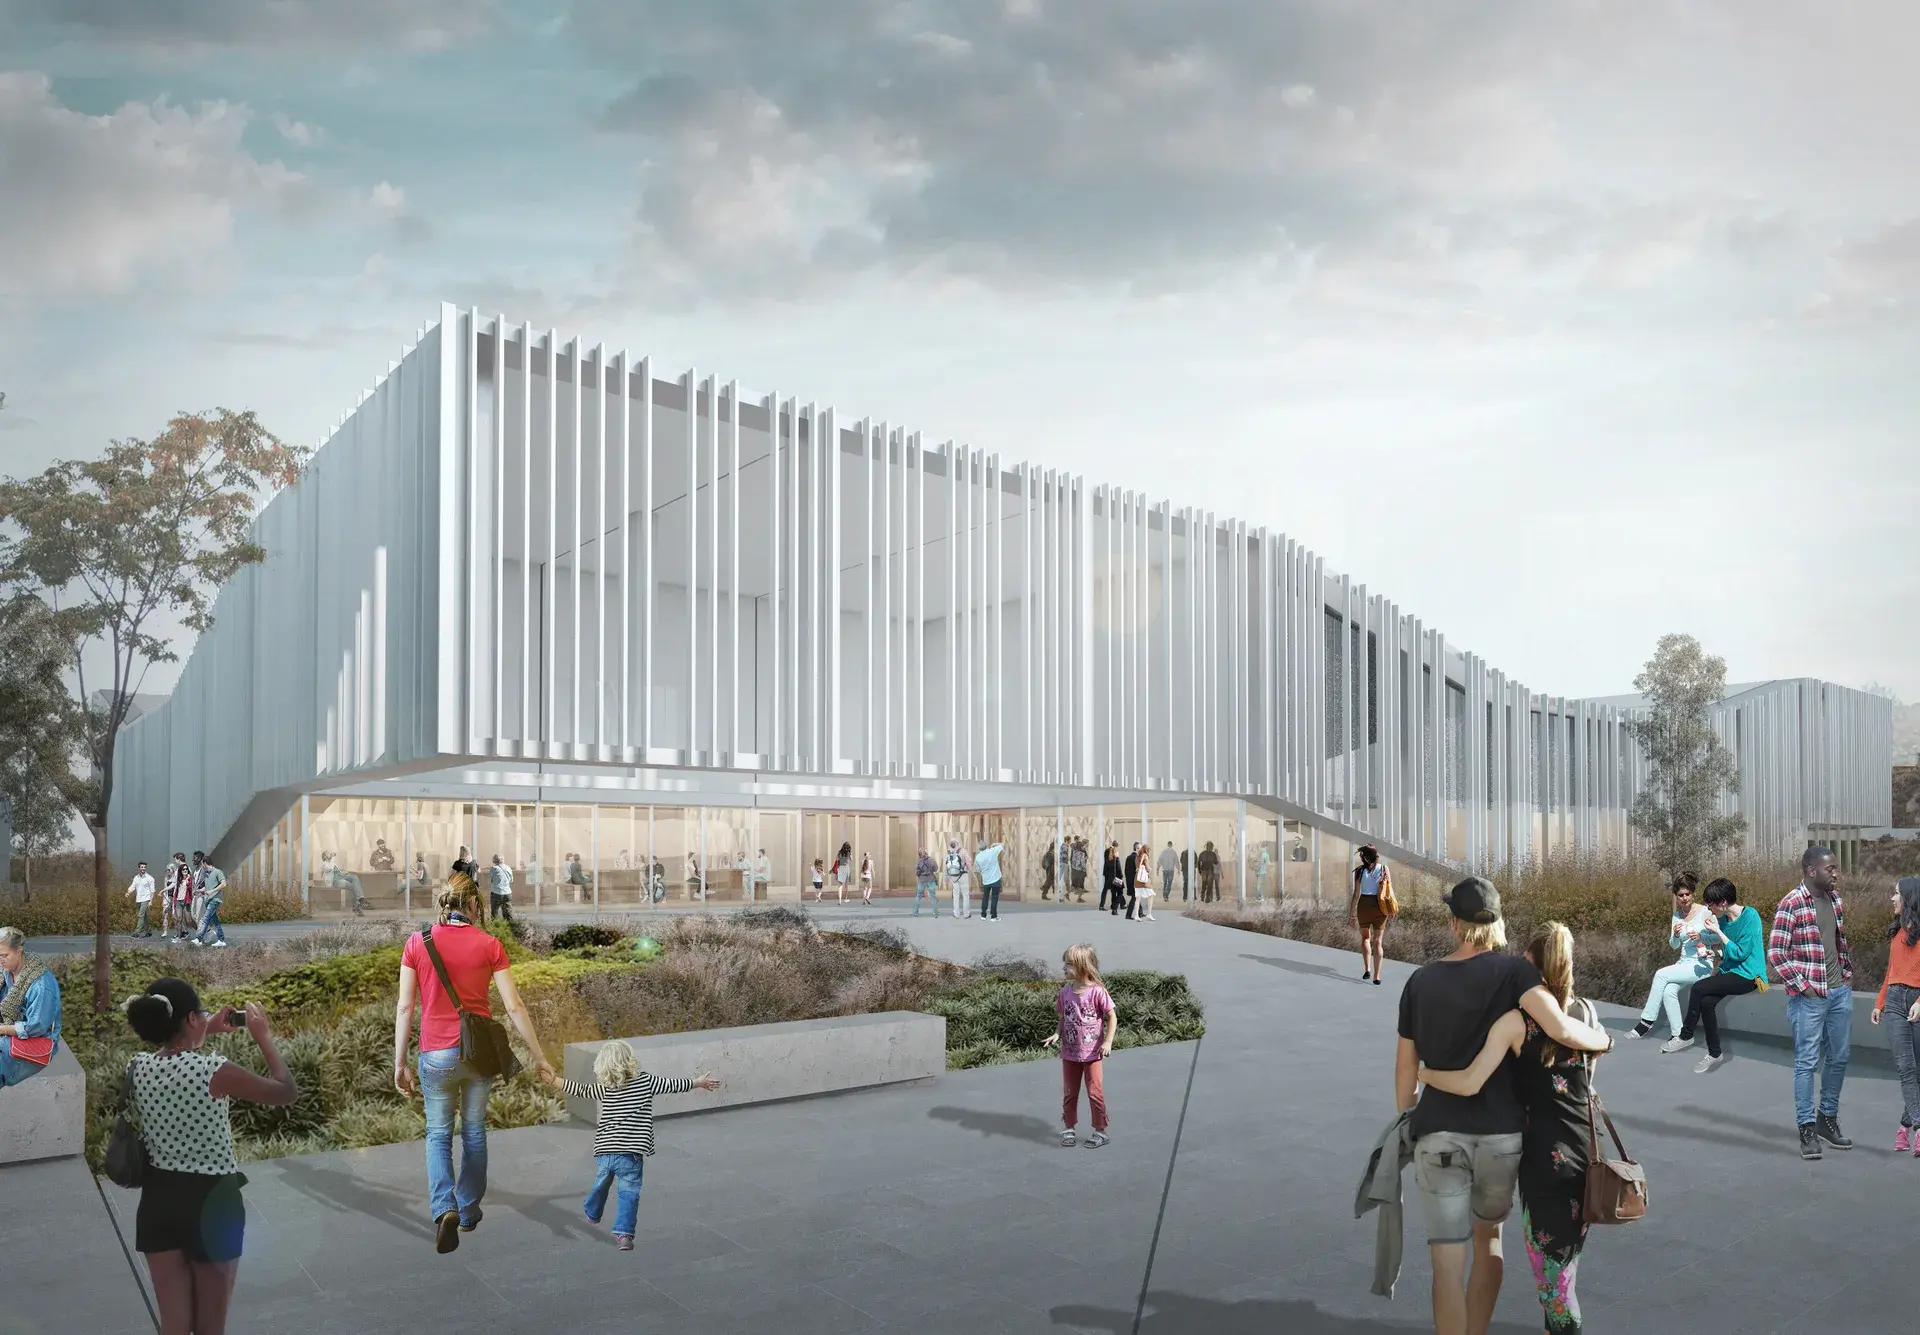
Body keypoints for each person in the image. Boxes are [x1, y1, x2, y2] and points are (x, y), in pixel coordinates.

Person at [1394, 877, 1612, 1335]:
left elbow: (1404, 1069)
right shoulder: (1516, 974)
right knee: (1488, 1242)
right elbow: (1559, 1026)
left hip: (1437, 1131)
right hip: (1501, 1136)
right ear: (1496, 924)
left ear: (1455, 923)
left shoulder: (1419, 981)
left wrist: (1408, 1112)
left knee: (1445, 1264)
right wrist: (1604, 1040)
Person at [123, 981, 298, 1335]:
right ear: (189, 1018)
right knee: (210, 1327)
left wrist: (207, 1025)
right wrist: (262, 1035)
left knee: (173, 1324)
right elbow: (286, 1092)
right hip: (212, 1202)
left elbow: (177, 1053)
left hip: (159, 1202)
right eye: (201, 1015)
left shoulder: (137, 1067)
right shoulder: (213, 1071)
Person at [394, 885, 555, 1252]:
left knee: (437, 1134)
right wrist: (540, 1057)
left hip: (435, 1055)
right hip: (478, 1055)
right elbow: (514, 1006)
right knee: (474, 1133)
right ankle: (467, 1211)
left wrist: (400, 1062)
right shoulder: (489, 944)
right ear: (473, 906)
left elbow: (405, 1008)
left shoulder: (416, 943)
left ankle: (444, 1207)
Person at [540, 1041, 721, 1251]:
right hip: (631, 1153)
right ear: (630, 1060)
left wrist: (553, 1080)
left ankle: (592, 1213)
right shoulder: (645, 1081)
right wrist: (697, 1082)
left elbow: (579, 1089)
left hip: (606, 1149)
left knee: (602, 1182)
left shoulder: (605, 1088)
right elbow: (674, 1084)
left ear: (603, 1065)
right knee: (629, 1193)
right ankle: (624, 1235)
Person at [1767, 845, 1854, 1159]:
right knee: (1806, 1063)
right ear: (1811, 870)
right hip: (1810, 998)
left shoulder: (1835, 900)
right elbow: (1776, 952)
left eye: (1835, 867)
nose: (1835, 872)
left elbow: (1838, 942)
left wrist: (1845, 974)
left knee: (1840, 1057)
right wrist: (1803, 987)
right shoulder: (1791, 903)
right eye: (1830, 868)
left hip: (1838, 994)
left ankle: (1826, 1120)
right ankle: (1806, 1128)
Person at [1672, 878, 1767, 1071]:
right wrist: (1714, 952)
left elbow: (1741, 953)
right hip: (1730, 971)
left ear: (1723, 902)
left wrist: (1717, 931)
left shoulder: (1750, 917)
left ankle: (1686, 1035)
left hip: (1749, 976)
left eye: (1711, 904)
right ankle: (1715, 1053)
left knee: (1699, 988)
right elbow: (1728, 952)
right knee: (1707, 1003)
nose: (1708, 908)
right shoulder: (1724, 920)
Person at [1043, 943, 1116, 1149]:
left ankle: (1100, 1131)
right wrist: (1057, 1034)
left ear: (1083, 967)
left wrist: (1108, 1041)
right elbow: (1063, 1017)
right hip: (1069, 1053)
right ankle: (1069, 1127)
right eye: (1065, 963)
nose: (1064, 968)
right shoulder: (1065, 991)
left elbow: (1112, 1016)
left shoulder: (1097, 992)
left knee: (1095, 1092)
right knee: (1069, 1092)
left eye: (1069, 964)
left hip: (1092, 1053)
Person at [1869, 876, 1920, 1155]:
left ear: (1909, 898)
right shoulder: (1897, 933)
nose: (1892, 897)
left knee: (1917, 1071)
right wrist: (1879, 1003)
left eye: (1896, 893)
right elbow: (1890, 973)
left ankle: (1904, 1127)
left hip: (1917, 1001)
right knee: (1905, 1068)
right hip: (1895, 1004)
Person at [1628, 874, 1711, 1041]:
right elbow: (1674, 945)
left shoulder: (1705, 912)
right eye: (1681, 895)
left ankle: (1647, 1021)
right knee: (1668, 991)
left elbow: (1717, 937)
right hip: (1683, 963)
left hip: (1701, 963)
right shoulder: (1677, 916)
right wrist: (1675, 934)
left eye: (1687, 894)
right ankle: (1679, 1034)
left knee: (1660, 974)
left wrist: (1700, 937)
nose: (1685, 898)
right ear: (1676, 896)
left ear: (1692, 893)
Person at [0, 926, 62, 1086]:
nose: (0, 960)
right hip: (9, 1027)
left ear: (19, 951)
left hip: (34, 1039)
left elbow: (36, 1027)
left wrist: (2, 1029)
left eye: (4, 955)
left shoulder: (41, 985)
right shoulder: (6, 970)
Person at [1349, 845, 1393, 986]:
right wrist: (1391, 909)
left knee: (1365, 938)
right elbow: (1389, 890)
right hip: (1380, 907)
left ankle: (1367, 968)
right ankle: (1377, 976)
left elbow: (1356, 895)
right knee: (1378, 941)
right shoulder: (1385, 869)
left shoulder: (1360, 871)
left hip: (1364, 906)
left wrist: (1351, 915)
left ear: (1364, 857)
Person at [190, 857, 229, 947]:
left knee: (205, 919)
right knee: (215, 921)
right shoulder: (207, 874)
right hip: (208, 899)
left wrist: (212, 891)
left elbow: (223, 884)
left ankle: (198, 938)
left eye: (202, 864)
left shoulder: (217, 872)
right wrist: (199, 890)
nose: (201, 866)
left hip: (215, 899)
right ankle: (221, 940)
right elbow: (207, 888)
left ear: (204, 863)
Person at [322, 851, 367, 918]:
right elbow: (329, 869)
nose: (330, 853)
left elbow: (339, 872)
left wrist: (345, 873)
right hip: (335, 881)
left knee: (354, 877)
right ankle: (356, 906)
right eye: (328, 853)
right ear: (325, 856)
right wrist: (332, 858)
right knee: (352, 886)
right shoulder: (324, 864)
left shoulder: (333, 863)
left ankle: (361, 898)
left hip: (341, 877)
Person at [975, 838, 1006, 922]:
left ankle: (983, 915)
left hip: (986, 880)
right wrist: (995, 843)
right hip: (995, 879)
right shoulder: (992, 851)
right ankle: (993, 916)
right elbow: (1003, 845)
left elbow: (978, 869)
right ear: (986, 846)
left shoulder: (977, 857)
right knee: (994, 898)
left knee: (985, 897)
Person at [163, 853, 191, 939]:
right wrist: (164, 890)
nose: (175, 861)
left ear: (178, 859)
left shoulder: (184, 869)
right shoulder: (179, 870)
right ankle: (180, 934)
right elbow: (175, 883)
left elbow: (188, 883)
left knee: (188, 919)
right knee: (178, 917)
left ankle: (202, 932)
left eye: (175, 859)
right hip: (177, 897)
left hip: (185, 898)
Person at [127, 861, 158, 938]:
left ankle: (137, 932)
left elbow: (152, 891)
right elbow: (132, 886)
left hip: (146, 899)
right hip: (138, 899)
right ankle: (148, 931)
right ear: (139, 868)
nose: (143, 868)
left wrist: (150, 901)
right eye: (142, 867)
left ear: (146, 868)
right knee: (144, 916)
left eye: (144, 867)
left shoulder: (150, 878)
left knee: (140, 915)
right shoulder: (136, 878)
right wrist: (128, 892)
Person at [943, 839, 972, 919]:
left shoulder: (948, 853)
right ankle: (966, 914)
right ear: (957, 844)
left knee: (956, 895)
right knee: (965, 895)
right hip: (963, 875)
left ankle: (956, 914)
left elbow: (946, 866)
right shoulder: (963, 851)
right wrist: (970, 870)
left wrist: (946, 878)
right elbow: (968, 862)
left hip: (953, 877)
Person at [487, 854, 514, 922]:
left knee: (494, 914)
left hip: (496, 893)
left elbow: (489, 880)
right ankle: (510, 928)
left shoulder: (494, 868)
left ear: (494, 860)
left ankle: (495, 929)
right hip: (507, 893)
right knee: (508, 914)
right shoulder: (508, 868)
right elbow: (511, 880)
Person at [913, 848, 939, 916]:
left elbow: (917, 872)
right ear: (926, 852)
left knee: (918, 896)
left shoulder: (918, 861)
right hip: (931, 879)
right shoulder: (931, 860)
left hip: (922, 880)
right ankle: (935, 913)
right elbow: (936, 869)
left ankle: (915, 912)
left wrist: (920, 874)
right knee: (932, 896)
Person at [1134, 849, 1156, 921]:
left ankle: (1136, 915)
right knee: (1151, 895)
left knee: (1138, 898)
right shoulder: (1145, 856)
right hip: (1144, 881)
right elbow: (1148, 868)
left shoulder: (1137, 857)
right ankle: (1149, 913)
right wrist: (1149, 869)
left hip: (1137, 880)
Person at [1102, 843, 1123, 915]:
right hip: (1115, 877)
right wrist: (1121, 877)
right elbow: (1119, 869)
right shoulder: (1116, 859)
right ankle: (1115, 907)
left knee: (1111, 891)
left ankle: (1112, 906)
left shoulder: (1107, 854)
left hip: (1108, 875)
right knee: (1119, 891)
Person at [1122, 842, 1141, 920]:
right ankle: (1128, 914)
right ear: (1136, 848)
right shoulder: (1137, 858)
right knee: (1134, 898)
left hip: (1130, 881)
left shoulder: (1128, 857)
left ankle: (1140, 912)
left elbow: (1126, 871)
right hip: (1135, 881)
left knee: (1137, 896)